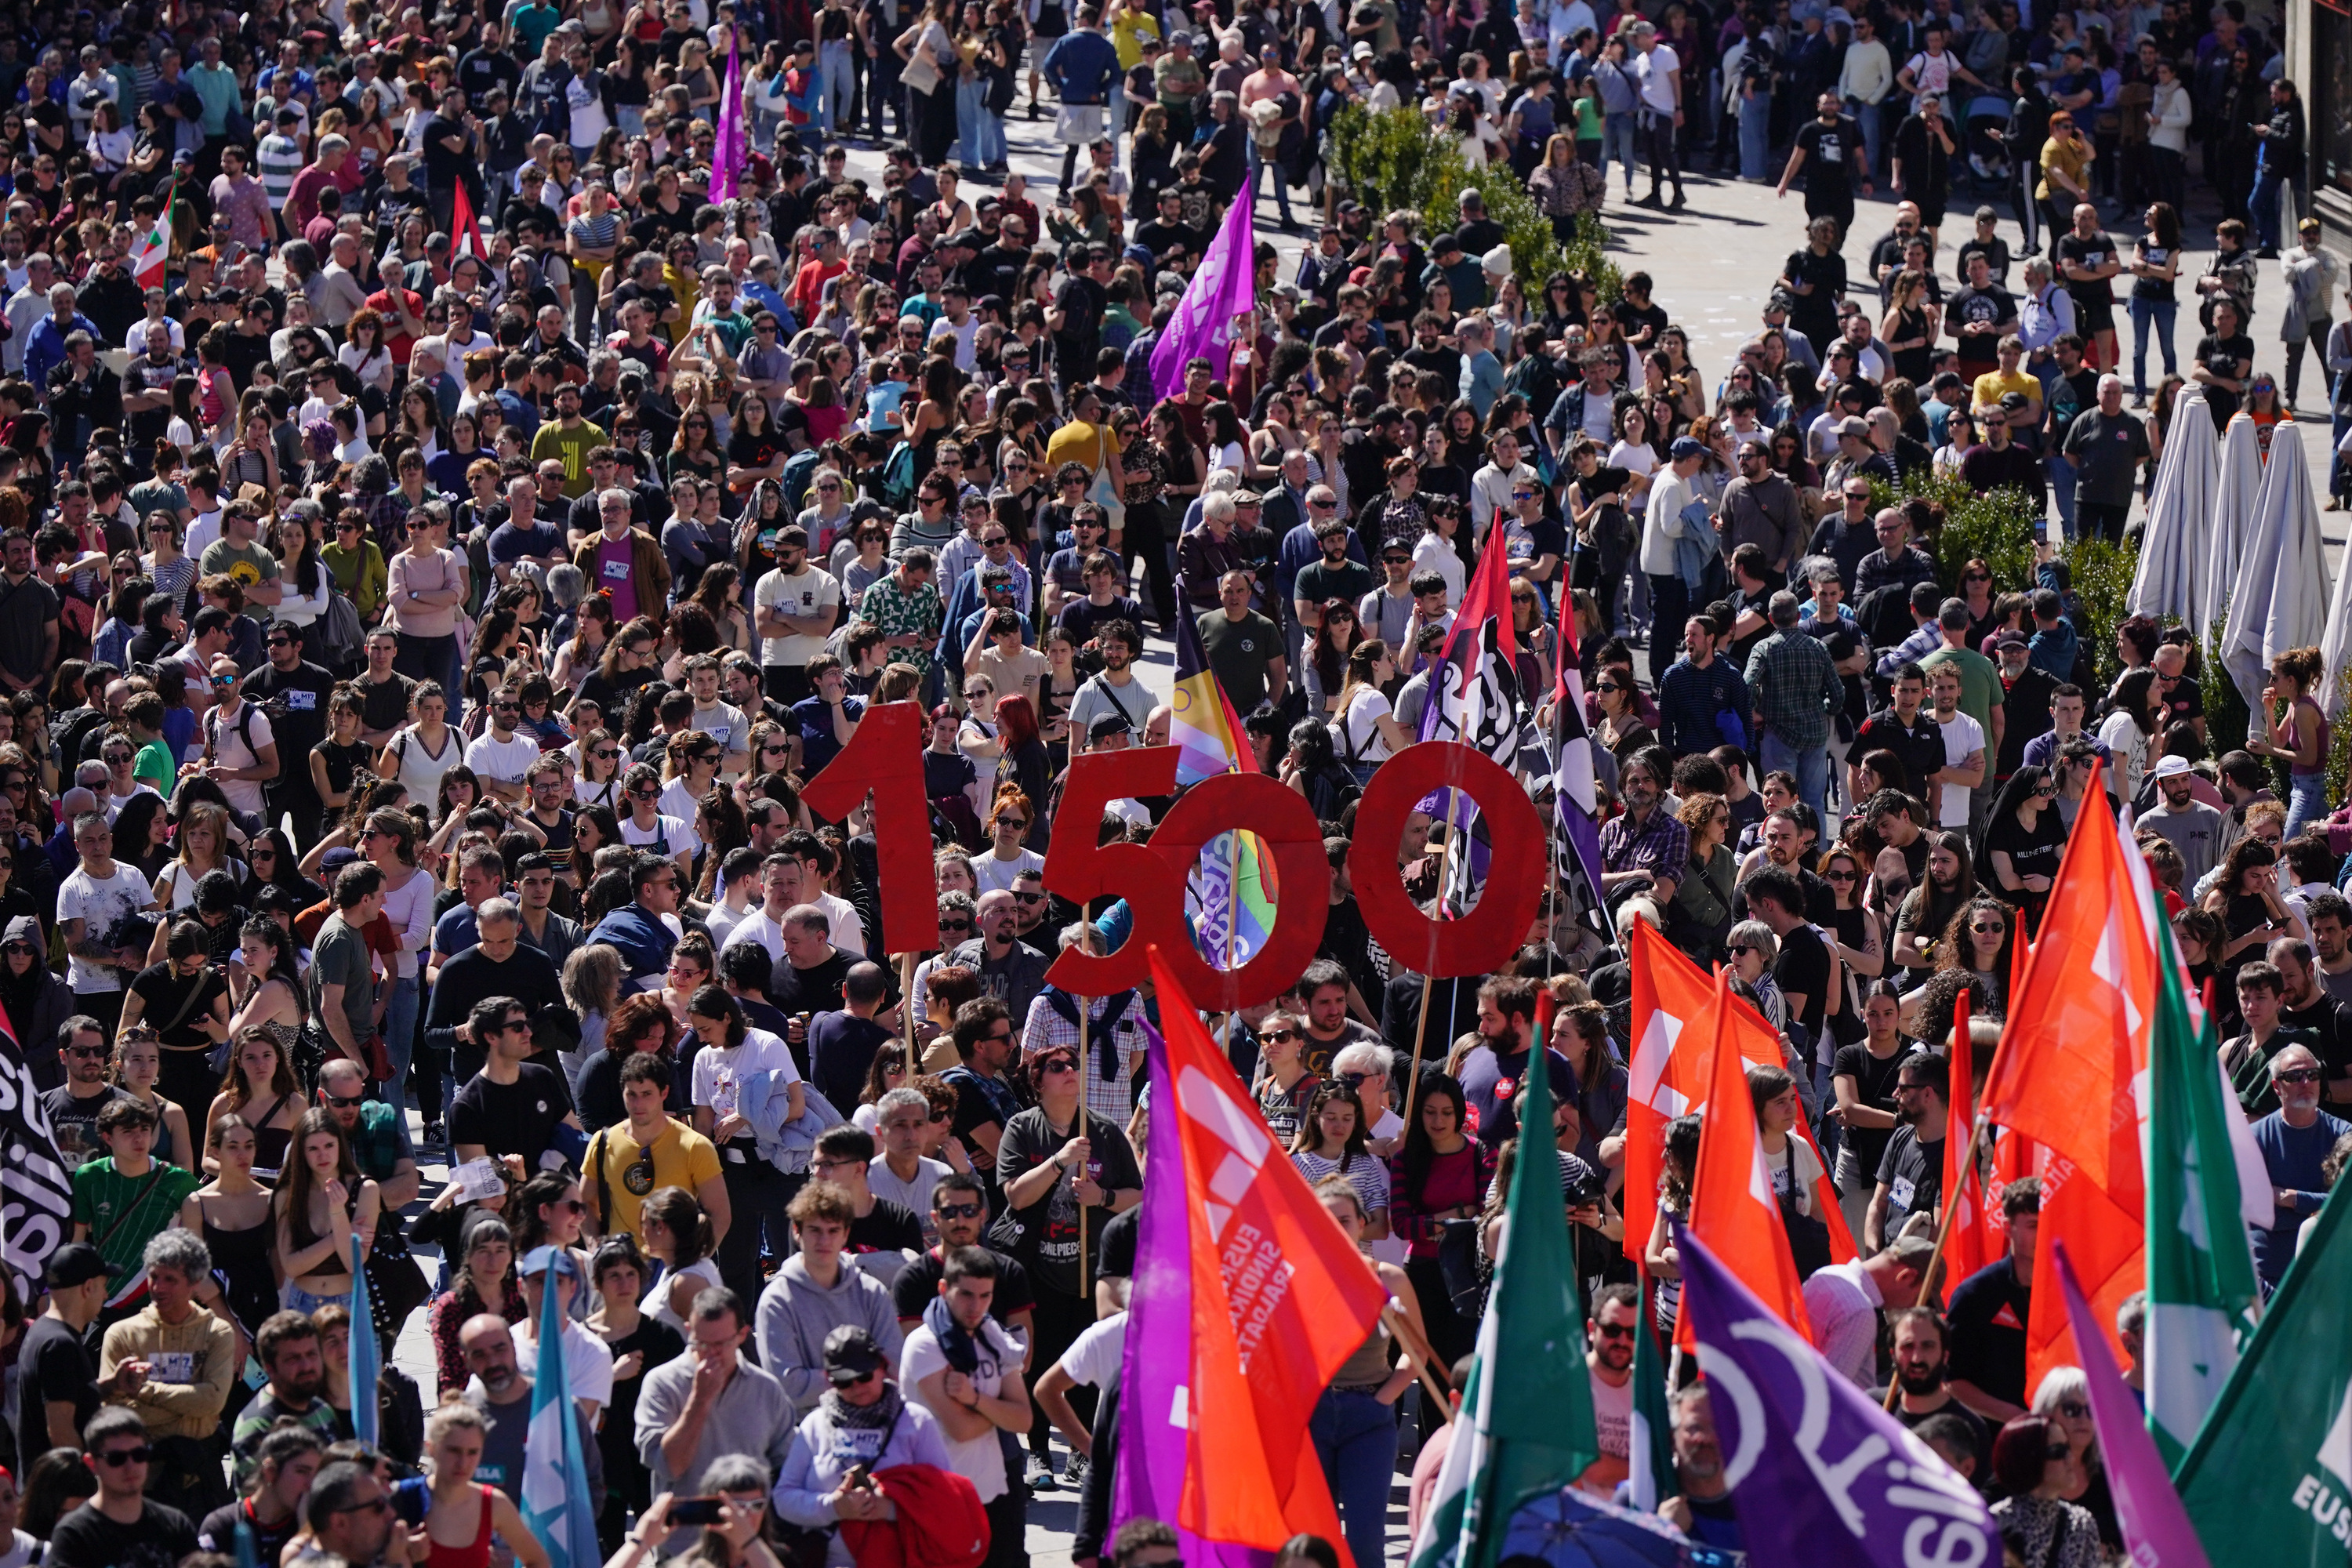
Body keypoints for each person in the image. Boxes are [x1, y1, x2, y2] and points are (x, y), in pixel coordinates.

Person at [898, 1246, 1031, 1566]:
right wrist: (1001, 1409)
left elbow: (1025, 1419)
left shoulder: (992, 1335)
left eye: (986, 1296)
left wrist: (975, 1400)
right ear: (944, 1290)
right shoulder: (924, 1345)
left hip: (993, 1491)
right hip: (940, 1497)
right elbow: (962, 1430)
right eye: (967, 1295)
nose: (976, 1307)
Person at [96, 1229, 236, 1519]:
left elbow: (212, 1402)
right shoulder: (122, 1334)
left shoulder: (217, 1333)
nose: (158, 1287)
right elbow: (116, 1414)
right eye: (153, 1277)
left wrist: (144, 1391)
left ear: (195, 1283)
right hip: (142, 1478)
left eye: (170, 1279)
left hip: (201, 1477)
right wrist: (188, 1408)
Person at [42, 1407, 201, 1568]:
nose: (130, 1467)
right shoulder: (74, 1534)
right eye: (116, 1459)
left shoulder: (176, 1525)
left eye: (139, 1455)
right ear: (92, 1464)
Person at [2248, 1043, 2349, 1292]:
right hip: (2269, 1277)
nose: (2306, 1082)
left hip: (2330, 1271)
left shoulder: (2345, 1137)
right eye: (2294, 1076)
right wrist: (2321, 1203)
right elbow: (2254, 1211)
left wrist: (2290, 1198)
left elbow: (2345, 1207)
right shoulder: (2255, 1138)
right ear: (2276, 1087)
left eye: (2313, 1074)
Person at [1946, 1177, 2040, 1425]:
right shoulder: (1975, 1295)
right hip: (1990, 1440)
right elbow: (1954, 1382)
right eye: (2033, 1225)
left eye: (2048, 1224)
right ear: (2008, 1228)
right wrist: (2015, 1416)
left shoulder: (2069, 1292)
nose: (2043, 1234)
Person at [1876, 1305, 1994, 1478]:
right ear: (1893, 1354)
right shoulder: (1872, 1407)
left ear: (1945, 1356)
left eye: (1928, 1346)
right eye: (1908, 1346)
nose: (1917, 1358)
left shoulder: (1971, 1428)